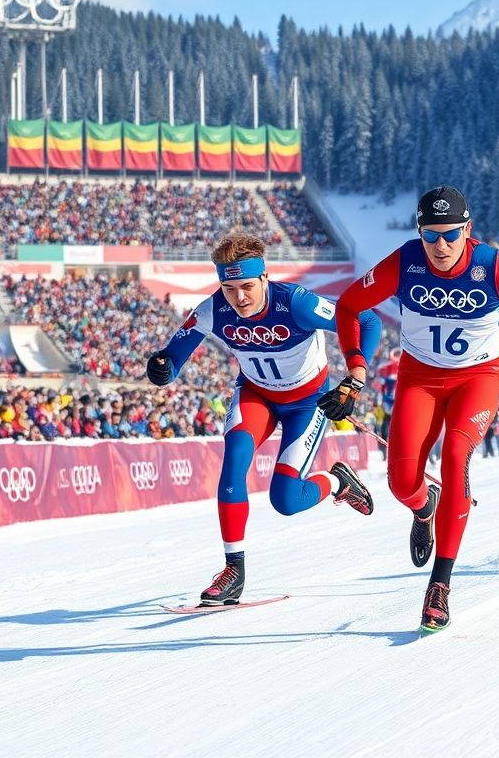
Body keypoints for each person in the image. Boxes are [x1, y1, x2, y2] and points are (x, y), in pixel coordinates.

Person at [323, 185, 499, 633]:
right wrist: (356, 372)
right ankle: (425, 508)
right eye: (431, 235)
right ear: (419, 232)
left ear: (468, 230)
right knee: (402, 482)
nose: (441, 245)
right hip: (420, 379)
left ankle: (440, 583)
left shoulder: (494, 266)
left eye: (451, 235)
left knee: (457, 457)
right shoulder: (404, 262)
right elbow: (347, 307)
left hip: (478, 378)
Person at [146, 230, 381, 605]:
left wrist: (354, 378)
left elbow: (366, 321)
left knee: (285, 500)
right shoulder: (213, 309)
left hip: (308, 401)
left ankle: (338, 483)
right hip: (256, 395)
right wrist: (162, 367)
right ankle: (234, 571)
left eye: (247, 287)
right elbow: (172, 356)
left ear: (264, 278)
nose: (238, 297)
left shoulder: (296, 304)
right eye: (229, 288)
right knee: (234, 459)